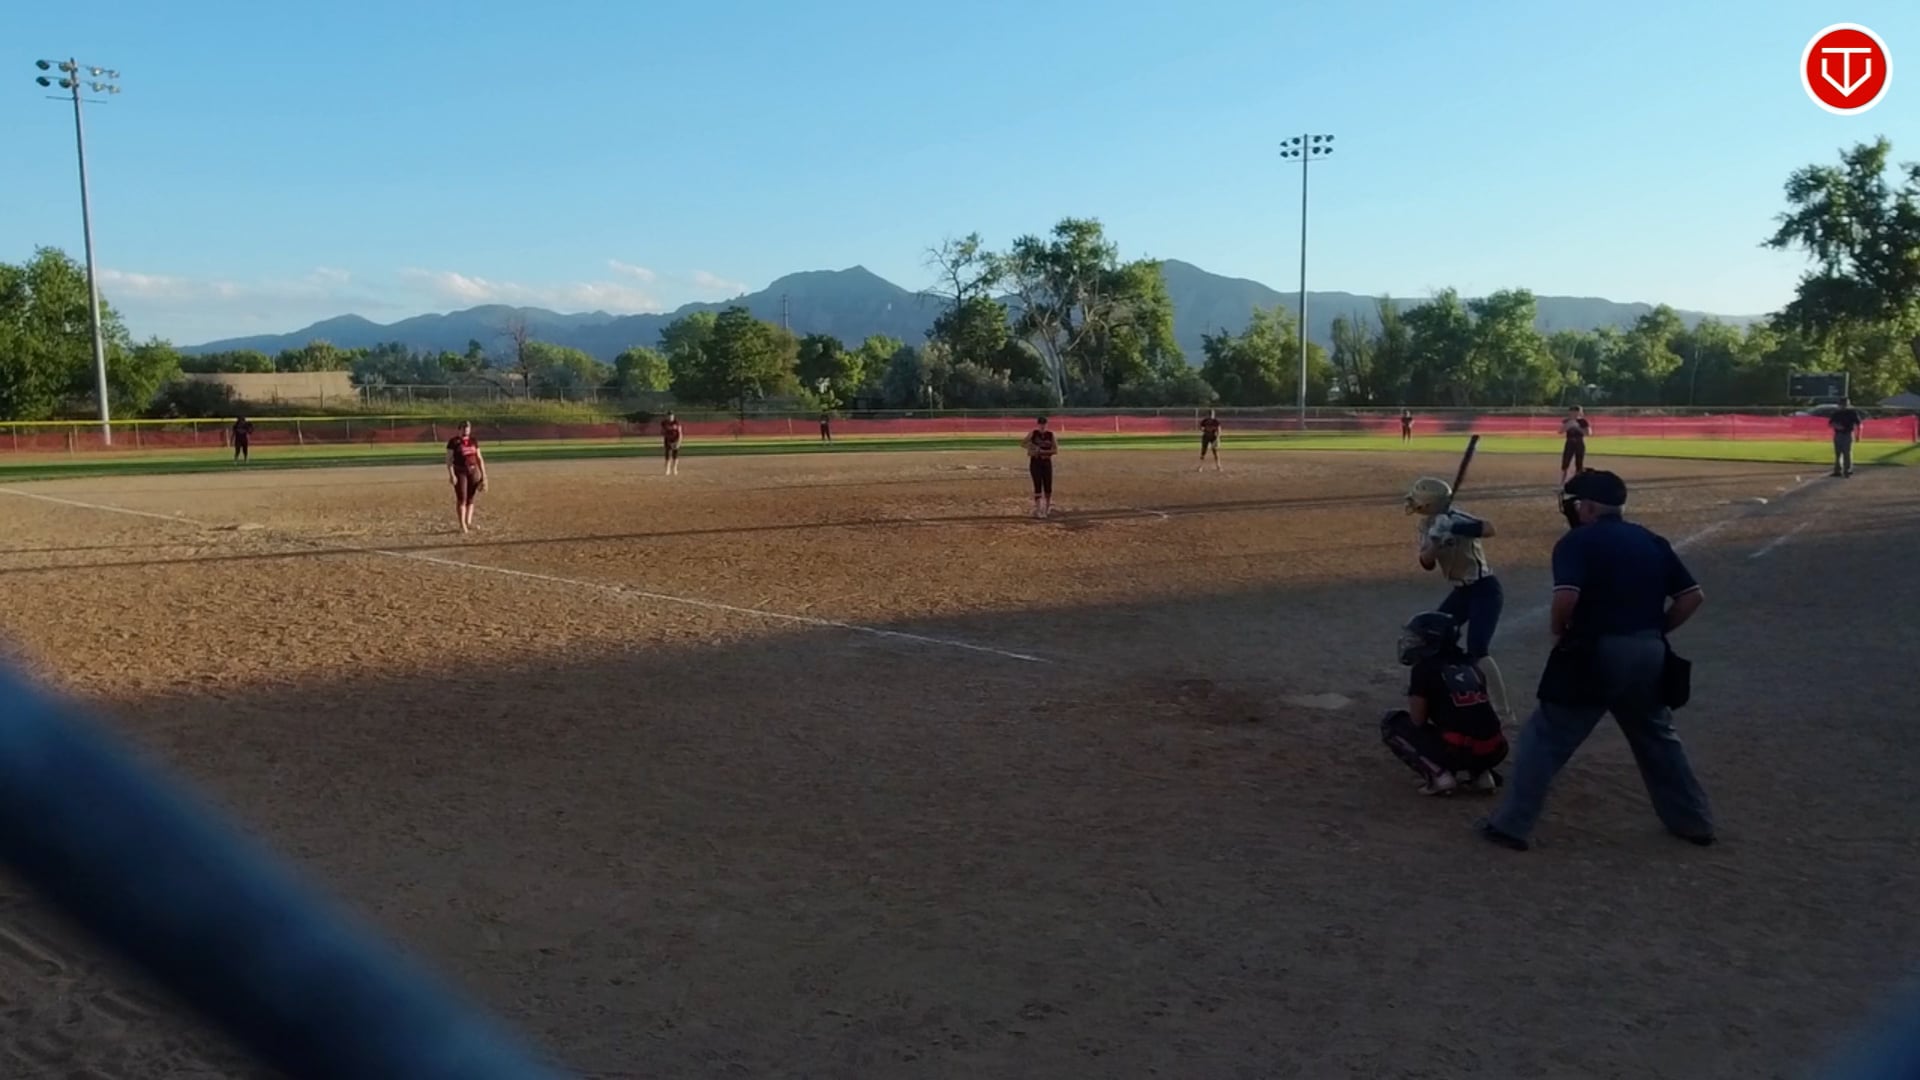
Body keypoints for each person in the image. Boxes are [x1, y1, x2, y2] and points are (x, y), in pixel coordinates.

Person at [1478, 469, 1714, 852]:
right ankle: (1694, 822)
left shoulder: (1577, 541)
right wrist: (1654, 632)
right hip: (1649, 651)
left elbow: (1567, 598)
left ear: (1587, 507)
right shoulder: (1651, 540)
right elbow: (1692, 597)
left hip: (1596, 651)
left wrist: (1559, 631)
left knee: (1545, 737)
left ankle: (1511, 826)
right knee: (1657, 738)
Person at [1381, 611, 1510, 796]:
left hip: (1460, 750)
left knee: (1392, 723)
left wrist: (1419, 695)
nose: (1412, 642)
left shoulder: (1424, 669)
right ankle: (1482, 776)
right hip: (1496, 749)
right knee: (1468, 723)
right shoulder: (1471, 662)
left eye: (1418, 638)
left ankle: (1439, 777)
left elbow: (1418, 720)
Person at [1403, 476, 1505, 665]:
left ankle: (1490, 684)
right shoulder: (1426, 526)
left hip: (1484, 590)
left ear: (1429, 503)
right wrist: (1435, 541)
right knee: (1434, 636)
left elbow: (1490, 529)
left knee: (1477, 649)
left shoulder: (1455, 518)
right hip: (1461, 592)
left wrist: (1454, 527)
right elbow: (1426, 563)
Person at [444, 420, 487, 534]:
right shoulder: (454, 442)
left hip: (473, 471)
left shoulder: (473, 441)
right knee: (462, 498)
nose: (466, 430)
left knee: (470, 498)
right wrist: (451, 474)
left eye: (467, 428)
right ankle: (462, 524)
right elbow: (449, 459)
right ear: (459, 429)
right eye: (463, 428)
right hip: (460, 471)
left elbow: (479, 458)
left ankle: (468, 522)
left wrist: (484, 475)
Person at [1021, 416, 1058, 519]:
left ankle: (1046, 509)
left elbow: (1055, 450)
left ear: (1047, 424)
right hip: (1035, 462)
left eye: (1044, 424)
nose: (1042, 426)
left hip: (1046, 462)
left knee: (1048, 486)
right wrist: (1032, 448)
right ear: (1038, 424)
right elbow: (1023, 443)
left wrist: (1043, 451)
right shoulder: (1033, 433)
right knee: (1037, 485)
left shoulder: (1050, 435)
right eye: (1041, 424)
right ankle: (1038, 510)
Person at [1829, 398, 1865, 478]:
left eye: (1844, 404)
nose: (1843, 406)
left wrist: (1858, 435)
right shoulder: (1837, 413)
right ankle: (1837, 470)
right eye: (1842, 404)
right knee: (1838, 453)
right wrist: (1836, 426)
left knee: (1847, 452)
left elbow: (1859, 424)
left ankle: (1847, 470)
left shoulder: (1852, 413)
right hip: (1838, 434)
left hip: (1847, 434)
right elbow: (1831, 423)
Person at [1559, 405, 1592, 484]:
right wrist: (1568, 425)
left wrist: (1578, 427)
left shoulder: (1583, 421)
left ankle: (1578, 481)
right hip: (1569, 442)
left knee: (1579, 463)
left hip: (1579, 442)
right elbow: (1560, 431)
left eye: (1576, 412)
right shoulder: (1567, 421)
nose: (1574, 413)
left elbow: (1588, 433)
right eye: (1572, 412)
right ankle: (1563, 481)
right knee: (1565, 462)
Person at [661, 412, 683, 476]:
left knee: (675, 455)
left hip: (675, 440)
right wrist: (666, 438)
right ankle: (667, 469)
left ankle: (675, 469)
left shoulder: (677, 423)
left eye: (671, 416)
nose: (670, 417)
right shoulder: (664, 423)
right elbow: (662, 432)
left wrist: (679, 442)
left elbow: (680, 433)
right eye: (669, 416)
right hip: (667, 440)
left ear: (673, 416)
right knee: (667, 455)